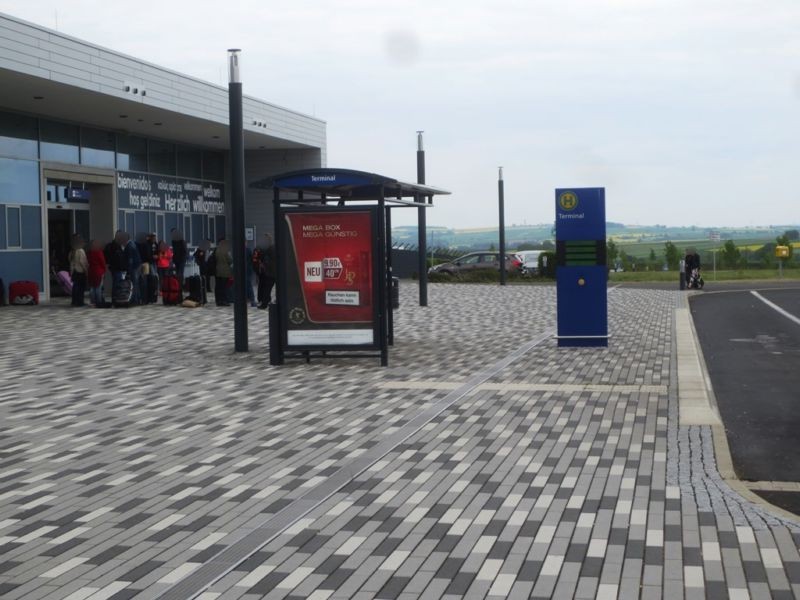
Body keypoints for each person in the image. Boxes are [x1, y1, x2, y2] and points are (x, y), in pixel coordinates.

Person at [105, 231, 127, 300]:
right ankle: (115, 299)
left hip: (118, 268)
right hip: (116, 268)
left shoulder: (119, 245)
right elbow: (114, 258)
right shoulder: (114, 245)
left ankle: (117, 298)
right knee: (116, 283)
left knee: (118, 283)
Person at [68, 234, 89, 307]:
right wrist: (86, 271)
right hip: (80, 271)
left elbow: (70, 261)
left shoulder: (72, 251)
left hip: (74, 271)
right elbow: (82, 262)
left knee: (75, 287)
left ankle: (74, 301)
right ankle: (80, 302)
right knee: (81, 288)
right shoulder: (80, 251)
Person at [256, 233, 276, 309]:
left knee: (267, 288)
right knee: (267, 288)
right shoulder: (270, 248)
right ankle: (266, 302)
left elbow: (268, 261)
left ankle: (264, 304)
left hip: (270, 272)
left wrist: (263, 264)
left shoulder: (270, 248)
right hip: (271, 272)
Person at [123, 232, 143, 305]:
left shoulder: (129, 246)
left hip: (134, 267)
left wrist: (129, 270)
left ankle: (135, 300)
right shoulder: (132, 243)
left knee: (134, 284)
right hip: (137, 266)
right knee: (136, 284)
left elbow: (130, 260)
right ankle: (137, 299)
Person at [87, 239, 107, 307]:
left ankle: (93, 302)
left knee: (92, 288)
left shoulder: (89, 253)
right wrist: (104, 271)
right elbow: (102, 262)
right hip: (98, 271)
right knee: (98, 287)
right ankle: (98, 302)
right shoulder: (99, 252)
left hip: (91, 271)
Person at [214, 238, 233, 306]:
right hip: (225, 271)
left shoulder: (216, 250)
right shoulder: (226, 251)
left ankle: (218, 301)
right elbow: (230, 260)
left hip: (217, 271)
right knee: (224, 287)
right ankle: (224, 301)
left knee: (218, 286)